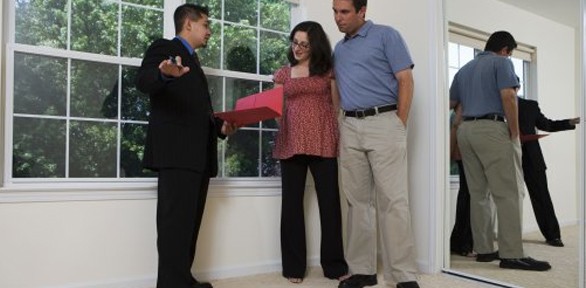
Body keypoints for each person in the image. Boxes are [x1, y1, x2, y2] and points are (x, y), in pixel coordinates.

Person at [136, 4, 237, 288]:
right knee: (173, 227)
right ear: (188, 24)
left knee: (189, 226)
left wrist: (221, 127)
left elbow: (197, 111)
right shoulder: (164, 48)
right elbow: (143, 81)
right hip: (177, 154)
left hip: (198, 157)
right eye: (205, 25)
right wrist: (165, 74)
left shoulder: (194, 62)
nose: (209, 31)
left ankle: (183, 280)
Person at [332, 1, 420, 287]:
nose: (338, 18)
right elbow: (336, 86)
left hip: (384, 121)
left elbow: (405, 79)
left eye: (344, 12)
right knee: (357, 202)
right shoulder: (339, 49)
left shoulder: (386, 35)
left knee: (394, 201)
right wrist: (339, 121)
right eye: (335, 11)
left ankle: (403, 275)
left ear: (362, 11)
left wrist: (399, 122)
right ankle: (362, 270)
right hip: (350, 126)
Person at [449, 30, 551, 271]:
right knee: (509, 193)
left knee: (478, 194)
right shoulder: (502, 63)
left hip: (466, 131)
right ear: (505, 50)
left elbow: (453, 105)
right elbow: (508, 97)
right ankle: (512, 254)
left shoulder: (464, 70)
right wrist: (514, 133)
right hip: (492, 130)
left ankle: (485, 250)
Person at [272, 20, 348, 284]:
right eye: (295, 42)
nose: (298, 48)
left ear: (315, 46)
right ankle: (293, 267)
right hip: (290, 142)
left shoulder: (328, 72)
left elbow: (337, 105)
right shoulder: (283, 73)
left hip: (323, 140)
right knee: (291, 206)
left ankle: (335, 266)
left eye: (304, 44)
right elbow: (275, 109)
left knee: (330, 206)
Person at [517, 91, 581, 247]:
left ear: (517, 87)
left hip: (532, 159)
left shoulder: (530, 105)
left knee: (542, 197)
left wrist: (571, 122)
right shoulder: (494, 107)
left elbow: (548, 125)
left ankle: (553, 236)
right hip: (505, 158)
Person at [449, 107, 475, 257]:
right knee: (469, 197)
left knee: (467, 196)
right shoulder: (465, 104)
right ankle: (463, 244)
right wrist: (452, 151)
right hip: (465, 153)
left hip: (462, 153)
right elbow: (456, 126)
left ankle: (460, 242)